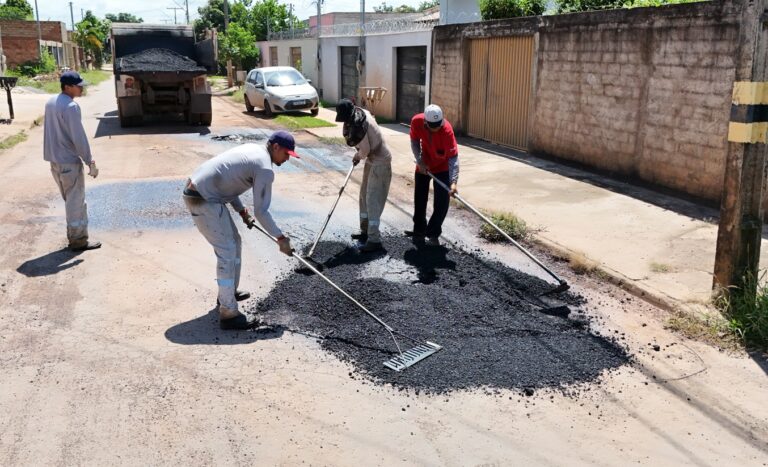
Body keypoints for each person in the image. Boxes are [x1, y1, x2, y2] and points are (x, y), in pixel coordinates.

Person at [183, 131, 297, 330]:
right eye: (286, 154)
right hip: (203, 198)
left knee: (235, 241)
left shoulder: (254, 151)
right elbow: (261, 212)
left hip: (202, 191)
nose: (287, 158)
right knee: (226, 251)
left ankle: (228, 294)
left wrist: (242, 211)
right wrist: (280, 238)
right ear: (276, 147)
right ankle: (228, 313)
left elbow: (228, 183)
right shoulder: (264, 168)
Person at [43, 71, 101, 252]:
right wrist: (89, 160)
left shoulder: (51, 102)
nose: (81, 88)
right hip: (69, 162)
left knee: (69, 200)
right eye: (78, 86)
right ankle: (78, 241)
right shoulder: (70, 107)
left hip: (55, 162)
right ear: (67, 87)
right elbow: (78, 137)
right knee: (76, 202)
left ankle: (74, 236)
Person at [335, 99, 392, 253]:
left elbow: (365, 150)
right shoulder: (359, 112)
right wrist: (360, 154)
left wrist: (357, 156)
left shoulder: (360, 123)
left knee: (372, 199)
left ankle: (374, 240)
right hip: (373, 160)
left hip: (380, 162)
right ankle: (365, 231)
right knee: (363, 195)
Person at [407, 104, 459, 246]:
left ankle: (433, 233)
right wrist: (420, 161)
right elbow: (414, 141)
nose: (437, 128)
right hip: (424, 164)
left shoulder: (447, 131)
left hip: (442, 167)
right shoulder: (416, 121)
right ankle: (419, 231)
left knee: (442, 202)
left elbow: (453, 159)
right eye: (433, 126)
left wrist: (453, 182)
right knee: (420, 199)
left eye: (438, 125)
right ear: (425, 122)